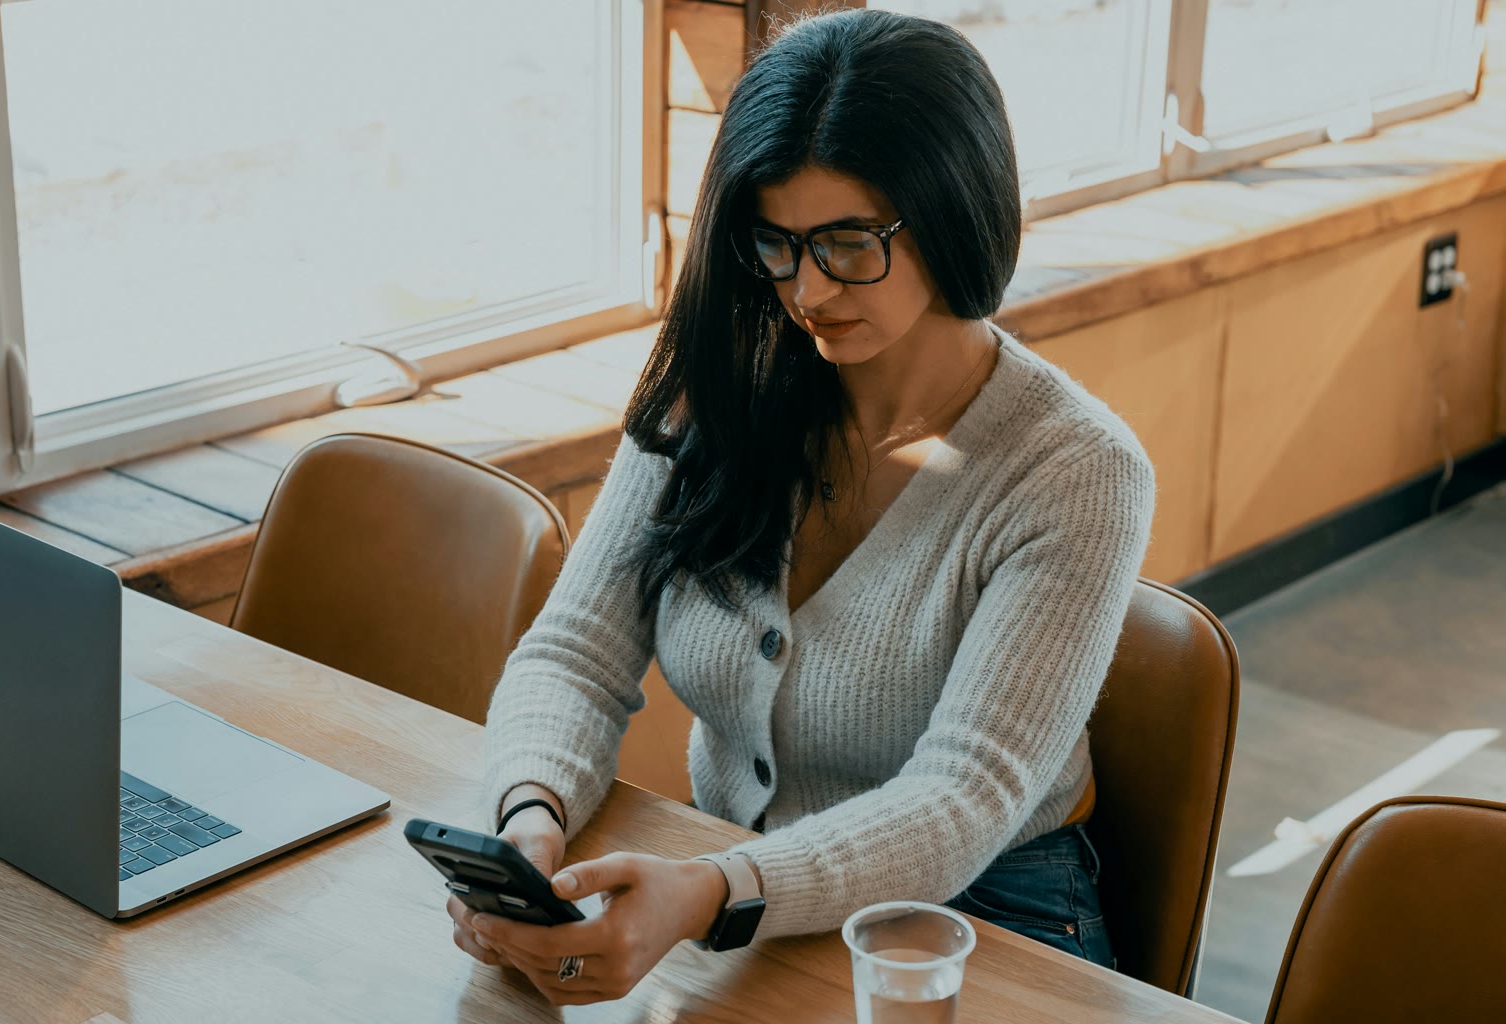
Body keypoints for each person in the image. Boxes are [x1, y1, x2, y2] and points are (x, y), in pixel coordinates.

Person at [446, 7, 1154, 1006]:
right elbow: (573, 652)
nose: (807, 289)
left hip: (984, 920)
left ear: (954, 208)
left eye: (849, 243)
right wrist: (530, 817)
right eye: (774, 243)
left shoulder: (1076, 470)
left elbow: (961, 800)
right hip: (730, 889)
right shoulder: (719, 391)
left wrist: (712, 892)